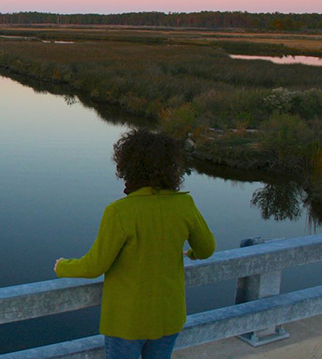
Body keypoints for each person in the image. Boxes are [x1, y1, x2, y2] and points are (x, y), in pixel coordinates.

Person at [54, 129, 215, 359]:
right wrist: (191, 253)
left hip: (127, 322)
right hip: (168, 317)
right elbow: (207, 248)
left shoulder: (119, 212)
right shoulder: (184, 205)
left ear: (127, 166)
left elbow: (94, 266)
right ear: (171, 167)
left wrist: (63, 266)